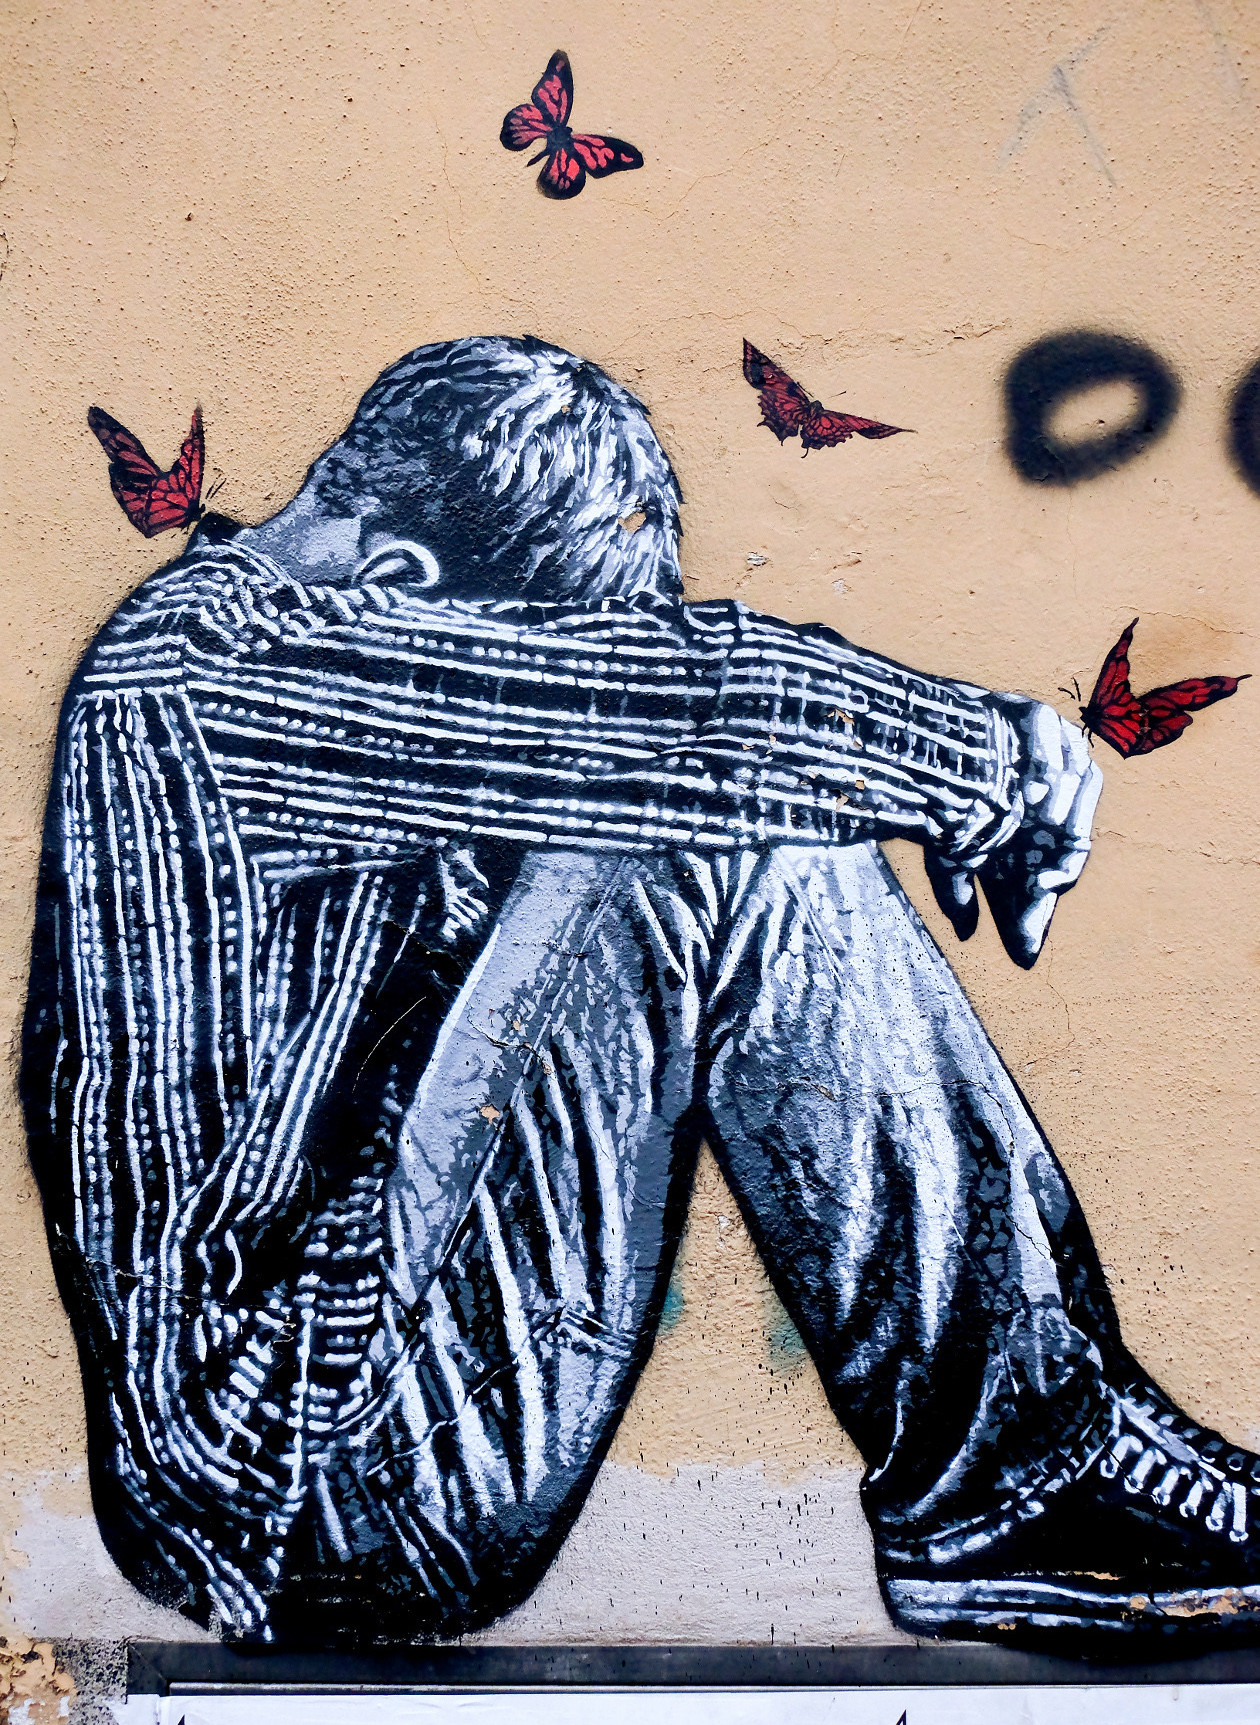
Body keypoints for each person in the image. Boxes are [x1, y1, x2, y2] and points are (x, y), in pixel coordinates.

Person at [21, 336, 1259, 1651]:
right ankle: (1021, 1480)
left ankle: (1046, 1448)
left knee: (713, 787)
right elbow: (694, 714)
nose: (572, 699)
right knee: (714, 810)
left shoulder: (291, 670)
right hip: (300, 1477)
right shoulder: (209, 663)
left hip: (359, 1416)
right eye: (551, 666)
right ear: (399, 583)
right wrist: (1000, 763)